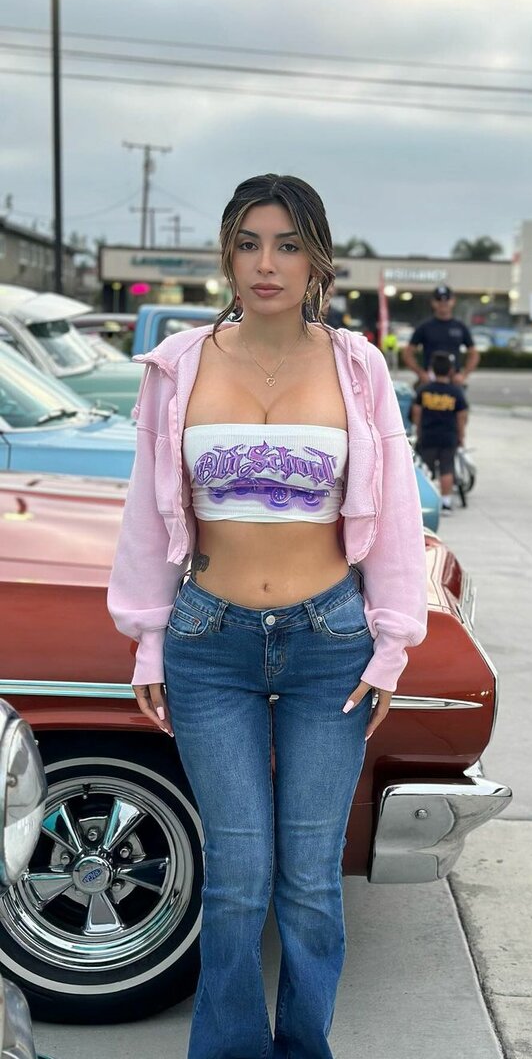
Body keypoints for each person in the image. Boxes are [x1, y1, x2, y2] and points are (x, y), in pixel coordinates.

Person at [107, 173, 427, 1059]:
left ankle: (304, 1048)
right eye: (248, 243)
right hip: (209, 643)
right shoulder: (179, 365)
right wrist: (147, 640)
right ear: (227, 254)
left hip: (331, 643)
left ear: (318, 258)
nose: (266, 264)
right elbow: (145, 513)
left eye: (287, 245)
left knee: (312, 882)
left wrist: (392, 643)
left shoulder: (357, 367)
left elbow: (397, 512)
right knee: (239, 877)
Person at [411, 350, 468, 512]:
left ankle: (424, 502)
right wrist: (461, 436)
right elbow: (461, 416)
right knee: (447, 468)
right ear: (450, 370)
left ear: (432, 370)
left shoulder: (424, 390)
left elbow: (416, 412)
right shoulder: (455, 392)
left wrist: (418, 431)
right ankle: (446, 502)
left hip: (428, 435)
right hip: (448, 436)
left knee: (425, 470)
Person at [403, 285, 479, 386]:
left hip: (453, 381)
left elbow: (473, 354)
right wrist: (420, 373)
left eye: (446, 299)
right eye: (439, 300)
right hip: (430, 380)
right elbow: (408, 353)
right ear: (433, 302)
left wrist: (463, 375)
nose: (443, 303)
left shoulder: (460, 327)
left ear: (453, 301)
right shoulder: (425, 327)